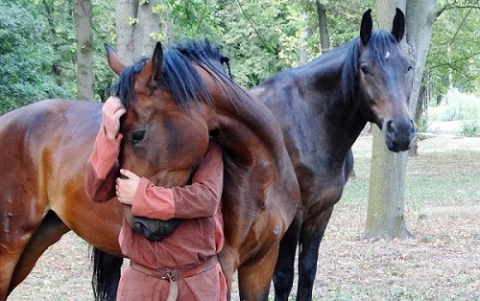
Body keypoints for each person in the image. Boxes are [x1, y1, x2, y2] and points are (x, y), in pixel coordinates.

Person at [85, 96, 227, 301]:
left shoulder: (205, 147)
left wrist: (142, 196)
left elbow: (207, 199)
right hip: (143, 282)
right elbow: (96, 190)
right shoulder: (135, 149)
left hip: (196, 283)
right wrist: (108, 134)